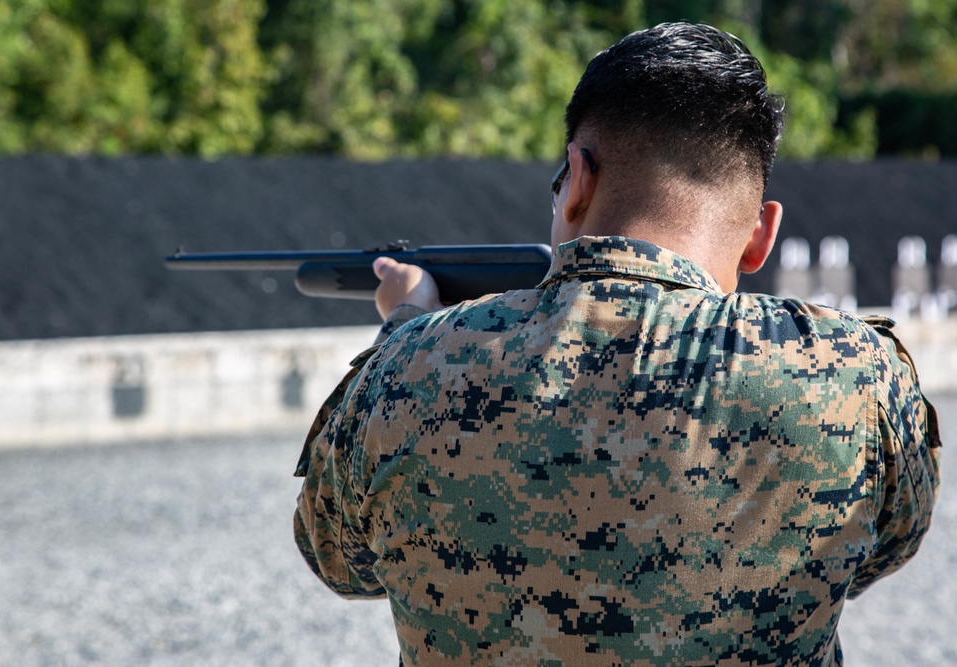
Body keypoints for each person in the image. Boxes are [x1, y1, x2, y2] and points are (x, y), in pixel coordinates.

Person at [294, 22, 942, 666]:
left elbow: (336, 557)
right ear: (759, 234)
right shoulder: (854, 371)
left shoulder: (409, 368)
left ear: (578, 177)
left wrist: (407, 325)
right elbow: (881, 546)